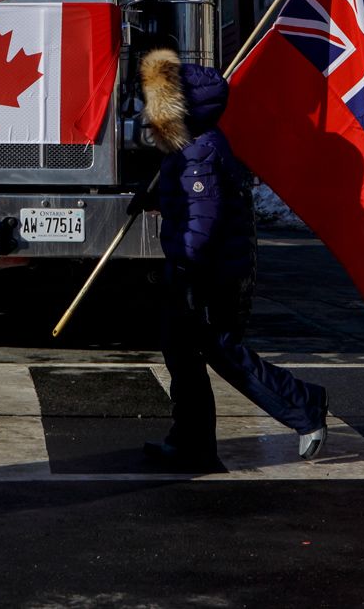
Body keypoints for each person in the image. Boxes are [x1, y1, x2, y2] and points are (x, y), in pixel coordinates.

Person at [136, 49, 328, 471]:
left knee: (218, 349)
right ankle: (191, 442)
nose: (149, 111)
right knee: (181, 352)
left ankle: (303, 404)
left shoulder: (198, 150)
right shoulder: (189, 146)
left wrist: (184, 268)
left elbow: (202, 219)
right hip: (197, 267)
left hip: (206, 271)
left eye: (156, 100)